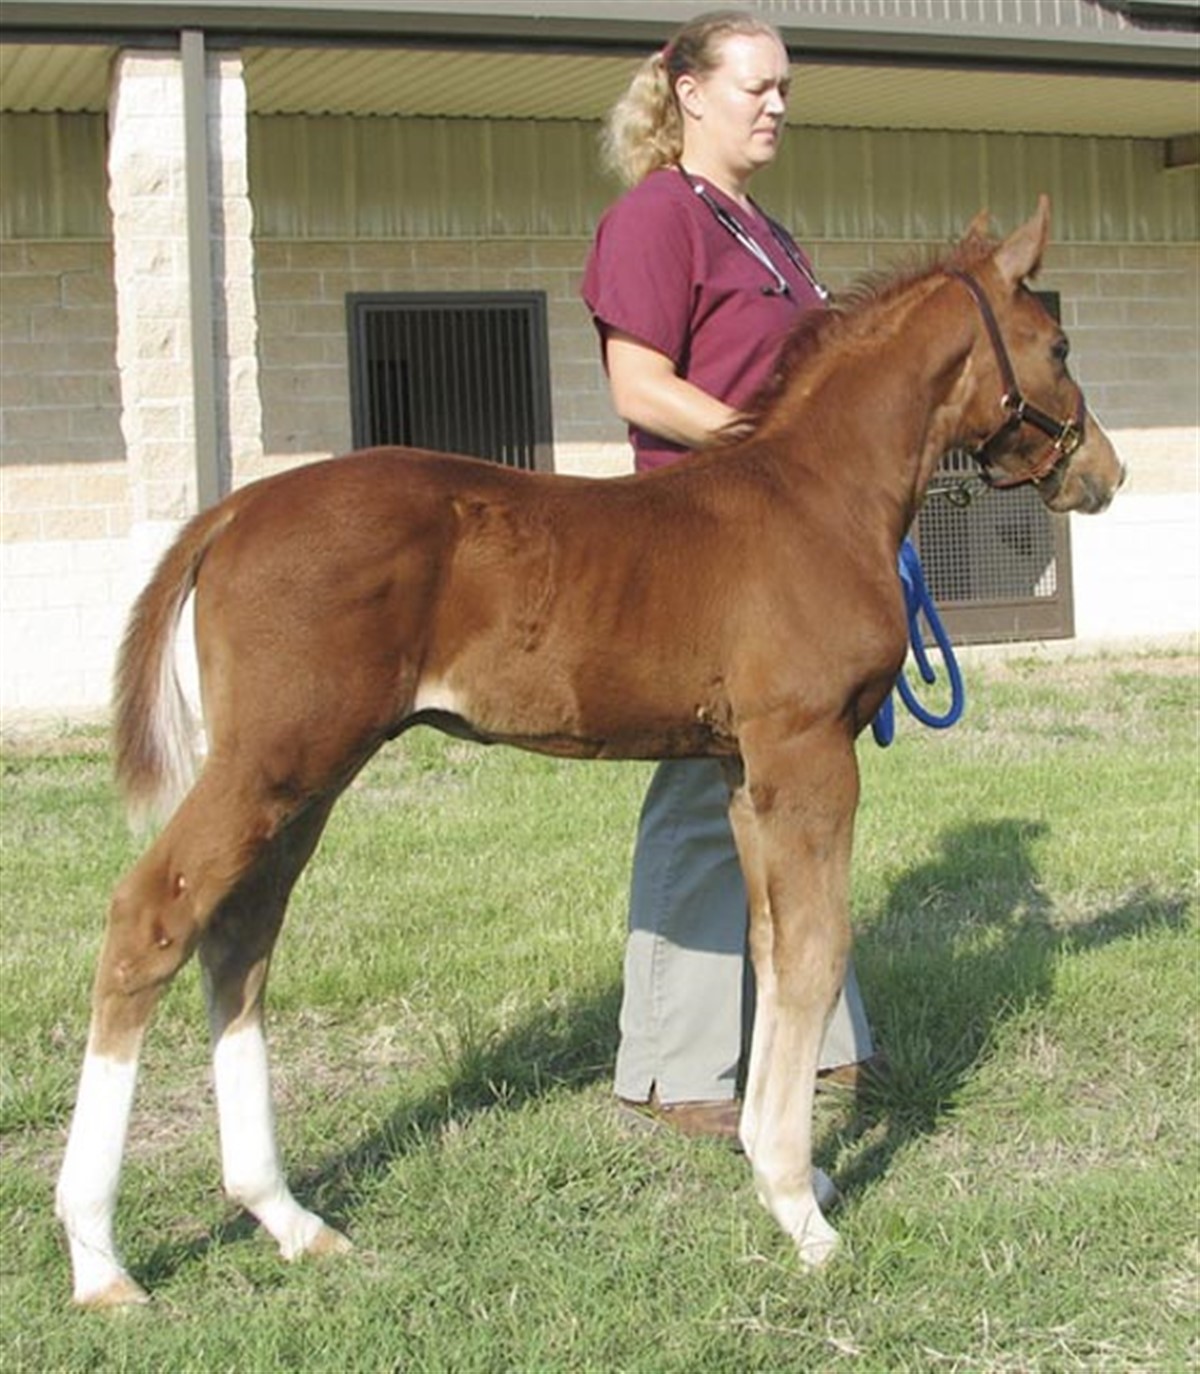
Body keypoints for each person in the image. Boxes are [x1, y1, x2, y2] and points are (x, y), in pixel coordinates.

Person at [581, 9, 878, 1141]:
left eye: (786, 87)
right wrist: (770, 456)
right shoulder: (658, 215)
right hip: (699, 542)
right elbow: (640, 385)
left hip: (790, 549)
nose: (777, 106)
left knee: (799, 779)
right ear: (691, 93)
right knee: (706, 797)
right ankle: (673, 1063)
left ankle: (824, 1035)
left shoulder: (766, 231)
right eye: (757, 86)